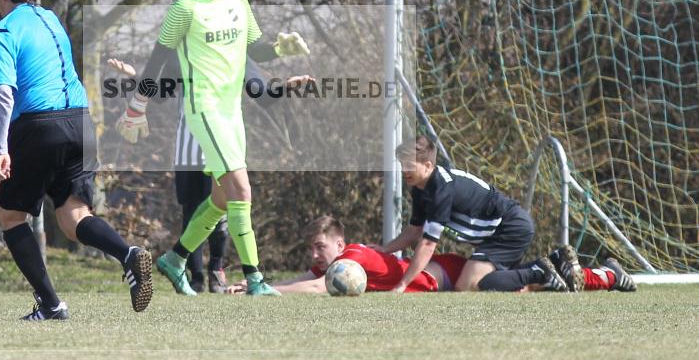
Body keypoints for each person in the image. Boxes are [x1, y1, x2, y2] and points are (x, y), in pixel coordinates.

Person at [0, 0, 153, 320]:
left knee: (11, 217)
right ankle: (128, 255)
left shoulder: (3, 33)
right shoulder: (50, 19)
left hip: (39, 126)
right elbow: (13, 34)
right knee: (73, 216)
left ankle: (51, 304)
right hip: (80, 123)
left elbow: (2, 92)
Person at [115, 0, 310, 297]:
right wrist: (137, 105)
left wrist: (282, 48)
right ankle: (255, 279)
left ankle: (175, 260)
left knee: (221, 198)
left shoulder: (239, 1)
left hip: (231, 111)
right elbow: (156, 62)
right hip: (203, 110)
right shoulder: (184, 9)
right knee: (242, 189)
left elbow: (255, 50)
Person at [107, 56, 313, 294]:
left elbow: (263, 95)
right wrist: (137, 77)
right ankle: (205, 274)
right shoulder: (184, 53)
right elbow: (160, 93)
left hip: (226, 139)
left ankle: (209, 267)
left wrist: (285, 86)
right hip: (189, 148)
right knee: (212, 204)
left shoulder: (237, 50)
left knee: (223, 205)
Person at [229, 216, 636, 295]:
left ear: (340, 244)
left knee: (520, 285)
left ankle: (548, 266)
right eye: (311, 248)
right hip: (443, 276)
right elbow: (307, 280)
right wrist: (258, 283)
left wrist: (267, 291)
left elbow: (316, 287)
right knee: (539, 290)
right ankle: (609, 276)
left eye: (320, 246)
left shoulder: (350, 258)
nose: (314, 254)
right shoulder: (333, 265)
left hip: (445, 275)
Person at [379, 136, 565, 292]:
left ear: (428, 165)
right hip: (501, 231)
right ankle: (555, 261)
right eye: (402, 164)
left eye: (409, 165)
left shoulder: (441, 189)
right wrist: (384, 249)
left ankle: (540, 273)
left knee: (468, 286)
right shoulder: (421, 189)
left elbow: (428, 244)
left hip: (510, 227)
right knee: (483, 280)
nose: (404, 170)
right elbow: (414, 232)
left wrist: (402, 284)